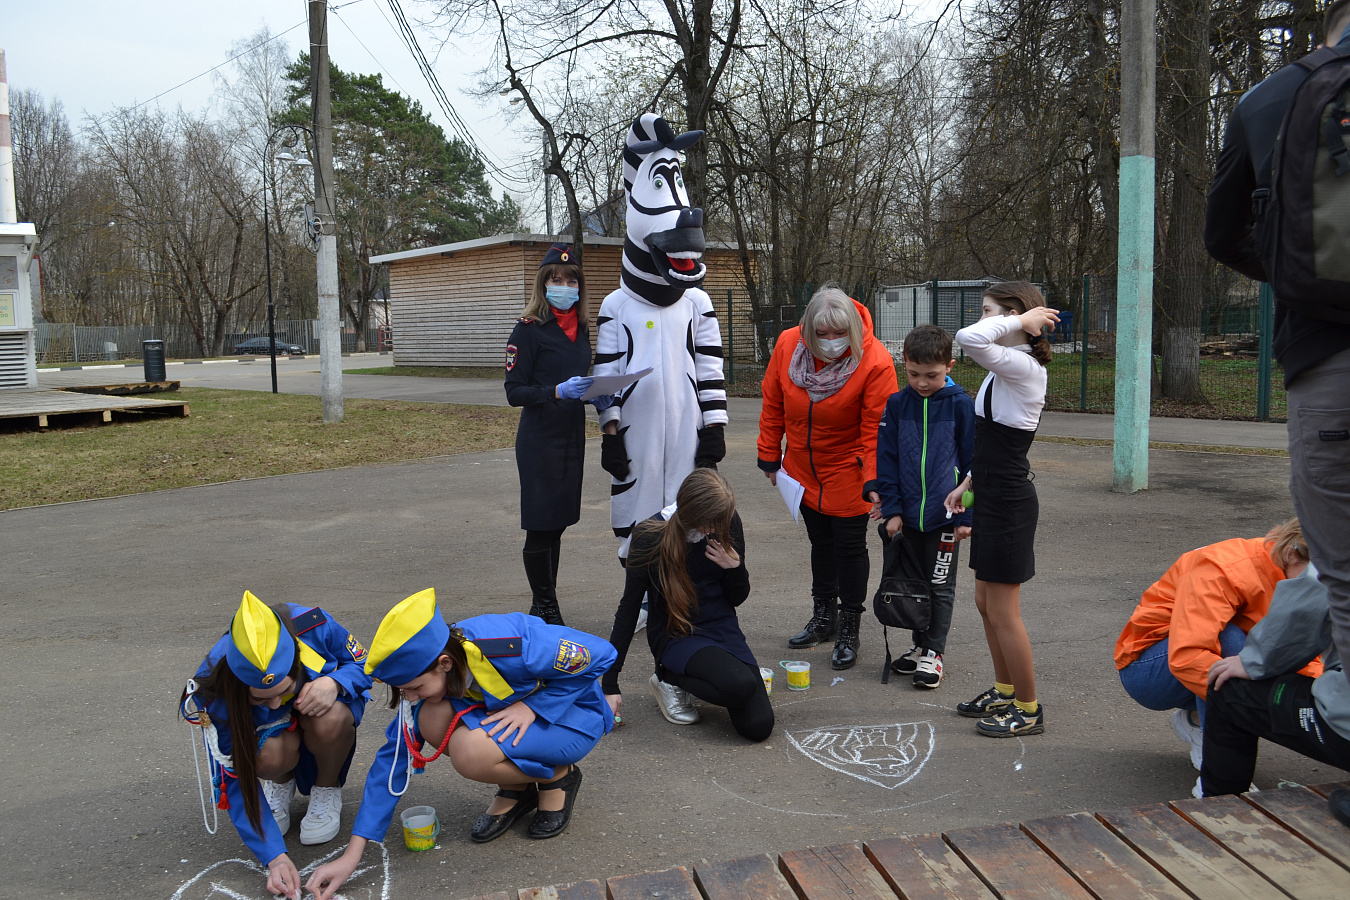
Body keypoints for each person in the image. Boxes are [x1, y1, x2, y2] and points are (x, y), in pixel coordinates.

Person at [1204, 0, 1350, 820]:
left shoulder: (1273, 99)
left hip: (1330, 359)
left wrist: (1303, 275)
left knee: (1345, 561)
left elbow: (1223, 232)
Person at [306, 590, 614, 899]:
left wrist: (533, 707)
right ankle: (518, 789)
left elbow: (602, 653)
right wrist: (352, 854)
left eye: (414, 688)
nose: (409, 697)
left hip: (571, 717)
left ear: (444, 663)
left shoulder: (513, 646)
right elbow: (394, 758)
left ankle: (559, 776)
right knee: (429, 716)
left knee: (470, 753)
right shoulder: (434, 663)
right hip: (511, 720)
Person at [593, 113, 728, 720]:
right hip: (641, 433)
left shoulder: (698, 301)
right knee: (640, 503)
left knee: (688, 506)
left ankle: (688, 588)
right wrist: (611, 429)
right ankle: (641, 595)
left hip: (687, 431)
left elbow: (709, 366)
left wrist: (716, 424)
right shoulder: (616, 304)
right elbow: (606, 376)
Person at [179, 591, 371, 900]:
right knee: (269, 755)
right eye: (258, 698)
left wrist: (334, 682)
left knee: (332, 716)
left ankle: (326, 788)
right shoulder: (212, 690)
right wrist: (274, 856)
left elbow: (365, 662)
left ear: (296, 659)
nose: (271, 704)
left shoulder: (312, 627)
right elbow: (233, 776)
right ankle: (280, 783)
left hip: (318, 729)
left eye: (283, 691)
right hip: (277, 741)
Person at [758, 285, 899, 670]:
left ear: (852, 329)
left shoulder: (876, 362)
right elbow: (773, 402)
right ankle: (824, 616)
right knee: (820, 543)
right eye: (822, 334)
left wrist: (875, 483)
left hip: (849, 470)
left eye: (840, 334)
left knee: (850, 548)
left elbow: (877, 431)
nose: (832, 342)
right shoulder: (788, 345)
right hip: (802, 468)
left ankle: (850, 624)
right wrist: (770, 455)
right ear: (808, 330)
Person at [943, 282, 1057, 737]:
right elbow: (991, 442)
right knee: (984, 600)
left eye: (993, 313)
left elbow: (968, 338)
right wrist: (968, 483)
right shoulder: (1001, 369)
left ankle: (1028, 709)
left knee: (1004, 609)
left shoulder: (1023, 367)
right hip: (990, 491)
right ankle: (1005, 690)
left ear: (1017, 318)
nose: (984, 320)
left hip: (1010, 500)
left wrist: (1020, 324)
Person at [1114, 520, 1320, 770]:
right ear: (1291, 553)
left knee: (1253, 656)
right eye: (1318, 578)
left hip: (1202, 658)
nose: (1323, 589)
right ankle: (1217, 765)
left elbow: (1308, 653)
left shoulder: (1298, 574)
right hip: (1148, 667)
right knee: (1231, 641)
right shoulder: (1224, 567)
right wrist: (1252, 703)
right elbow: (1189, 654)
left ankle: (1197, 720)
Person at [603, 468, 773, 740]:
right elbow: (629, 608)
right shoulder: (649, 536)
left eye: (723, 520)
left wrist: (735, 569)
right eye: (712, 522)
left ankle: (710, 673)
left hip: (720, 625)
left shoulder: (727, 521)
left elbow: (736, 599)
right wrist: (610, 683)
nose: (719, 528)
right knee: (739, 685)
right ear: (692, 515)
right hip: (676, 632)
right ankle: (668, 678)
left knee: (758, 727)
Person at [505, 242, 612, 626]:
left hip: (570, 437)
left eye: (571, 279)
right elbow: (514, 392)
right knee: (540, 525)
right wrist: (555, 392)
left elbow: (579, 380)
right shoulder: (528, 329)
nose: (564, 284)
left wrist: (595, 394)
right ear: (543, 284)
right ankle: (547, 606)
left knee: (559, 524)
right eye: (556, 278)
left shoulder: (581, 329)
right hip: (539, 441)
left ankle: (542, 603)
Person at [869, 324, 975, 689]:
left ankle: (934, 652)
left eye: (932, 375)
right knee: (913, 583)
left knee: (940, 586)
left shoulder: (962, 405)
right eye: (913, 374)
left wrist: (968, 516)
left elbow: (974, 465)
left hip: (947, 517)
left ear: (950, 366)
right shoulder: (897, 405)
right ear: (904, 365)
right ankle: (918, 647)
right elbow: (888, 460)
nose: (922, 383)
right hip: (908, 516)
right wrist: (894, 509)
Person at [1199, 563, 1350, 819]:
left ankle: (1220, 814)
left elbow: (1300, 614)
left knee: (1231, 691)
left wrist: (1254, 660)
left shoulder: (1336, 542)